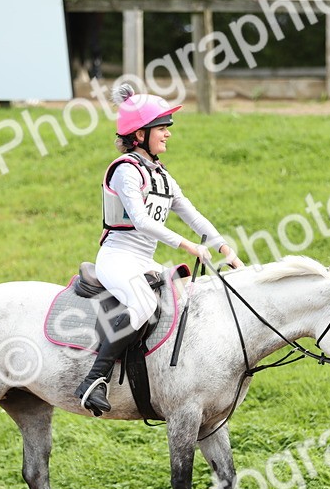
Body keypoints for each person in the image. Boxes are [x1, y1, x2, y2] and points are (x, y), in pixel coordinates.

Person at [74, 84, 244, 416]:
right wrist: (186, 245)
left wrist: (224, 247)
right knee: (143, 302)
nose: (167, 134)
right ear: (140, 133)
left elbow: (191, 213)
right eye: (162, 128)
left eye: (167, 128)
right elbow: (140, 220)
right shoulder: (125, 170)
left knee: (184, 300)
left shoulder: (161, 175)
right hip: (118, 258)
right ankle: (94, 380)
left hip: (143, 261)